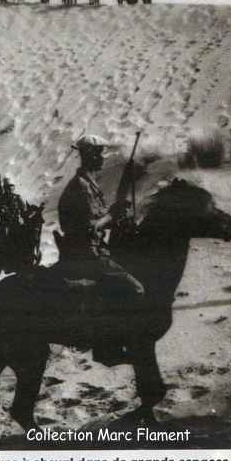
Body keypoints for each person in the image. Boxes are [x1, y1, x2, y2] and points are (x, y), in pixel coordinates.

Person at [57, 135, 144, 366]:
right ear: (90, 155)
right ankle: (109, 349)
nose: (104, 159)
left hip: (92, 248)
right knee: (134, 289)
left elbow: (98, 217)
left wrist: (115, 213)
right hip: (86, 254)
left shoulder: (89, 183)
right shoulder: (81, 187)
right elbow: (91, 226)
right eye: (100, 154)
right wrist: (112, 215)